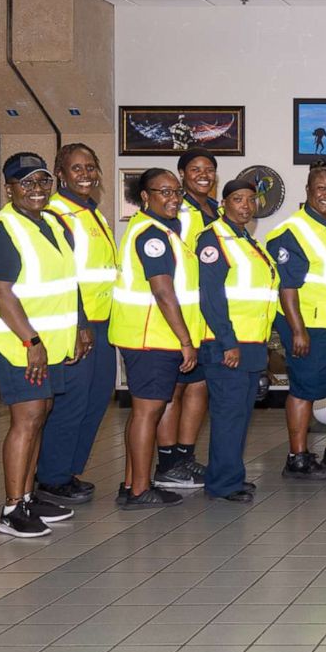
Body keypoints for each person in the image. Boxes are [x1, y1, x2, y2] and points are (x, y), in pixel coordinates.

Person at [0, 154, 86, 537]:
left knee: (41, 413)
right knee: (26, 418)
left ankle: (27, 494)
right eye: (26, 183)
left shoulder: (50, 224)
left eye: (42, 182)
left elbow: (63, 286)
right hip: (17, 343)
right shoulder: (2, 229)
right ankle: (11, 508)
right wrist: (31, 341)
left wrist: (74, 329)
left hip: (49, 342)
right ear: (8, 188)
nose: (36, 190)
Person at [110, 167, 202, 510]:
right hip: (149, 337)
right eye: (163, 192)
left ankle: (133, 482)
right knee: (147, 413)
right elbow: (163, 291)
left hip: (155, 337)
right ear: (144, 196)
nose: (172, 198)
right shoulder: (152, 234)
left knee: (144, 412)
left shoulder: (164, 230)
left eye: (176, 192)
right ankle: (137, 490)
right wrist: (185, 340)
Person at [33, 143, 113, 506]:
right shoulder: (56, 214)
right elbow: (66, 275)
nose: (86, 174)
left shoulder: (93, 213)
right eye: (76, 169)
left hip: (103, 322)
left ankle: (69, 471)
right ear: (61, 174)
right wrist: (80, 323)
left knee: (96, 402)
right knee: (72, 404)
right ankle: (51, 477)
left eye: (90, 167)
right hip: (77, 325)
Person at [266, 164, 326, 479]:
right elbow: (286, 287)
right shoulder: (291, 231)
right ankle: (298, 456)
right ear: (308, 191)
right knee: (304, 388)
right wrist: (298, 330)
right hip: (309, 324)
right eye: (321, 188)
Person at [195, 177, 278, 503]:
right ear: (223, 203)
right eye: (238, 199)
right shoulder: (214, 240)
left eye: (250, 199)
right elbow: (212, 297)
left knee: (240, 415)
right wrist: (227, 341)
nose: (246, 206)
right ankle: (222, 484)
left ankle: (229, 475)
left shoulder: (246, 240)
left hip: (251, 343)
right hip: (228, 344)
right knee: (229, 415)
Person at [151, 147, 222, 491]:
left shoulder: (216, 210)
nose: (203, 173)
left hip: (206, 314)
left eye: (209, 168)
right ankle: (167, 463)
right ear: (182, 175)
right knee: (174, 389)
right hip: (182, 311)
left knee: (198, 386)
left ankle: (185, 457)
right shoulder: (179, 211)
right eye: (195, 168)